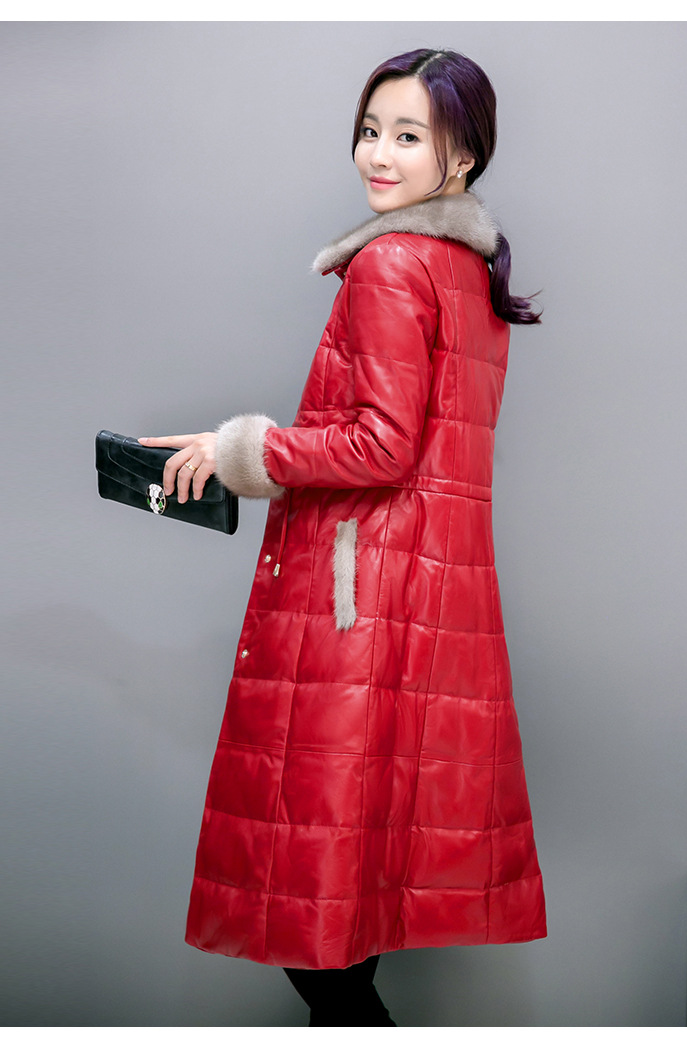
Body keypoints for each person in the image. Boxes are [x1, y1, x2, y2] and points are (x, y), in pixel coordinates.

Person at [140, 47, 547, 1027]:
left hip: (353, 612)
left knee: (318, 925)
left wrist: (238, 450)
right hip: (428, 608)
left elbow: (381, 444)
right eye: (371, 130)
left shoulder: (392, 263)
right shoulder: (466, 271)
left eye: (408, 136)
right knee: (350, 904)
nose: (378, 153)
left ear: (463, 156)